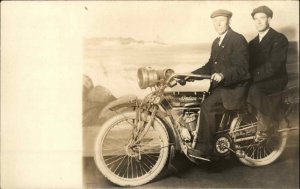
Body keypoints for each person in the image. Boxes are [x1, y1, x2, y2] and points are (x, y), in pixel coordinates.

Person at [189, 9, 250, 158]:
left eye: (221, 20)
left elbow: (242, 68)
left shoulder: (237, 39)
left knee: (207, 107)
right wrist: (190, 76)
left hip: (234, 88)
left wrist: (222, 75)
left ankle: (205, 149)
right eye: (215, 21)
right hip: (222, 88)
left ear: (229, 21)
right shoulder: (216, 42)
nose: (218, 24)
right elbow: (210, 66)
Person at [247, 5, 289, 141]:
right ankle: (248, 124)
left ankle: (267, 125)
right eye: (256, 19)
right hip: (259, 78)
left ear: (269, 19)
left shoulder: (279, 38)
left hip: (276, 79)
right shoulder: (252, 43)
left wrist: (251, 77)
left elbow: (274, 66)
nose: (258, 21)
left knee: (254, 89)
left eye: (262, 18)